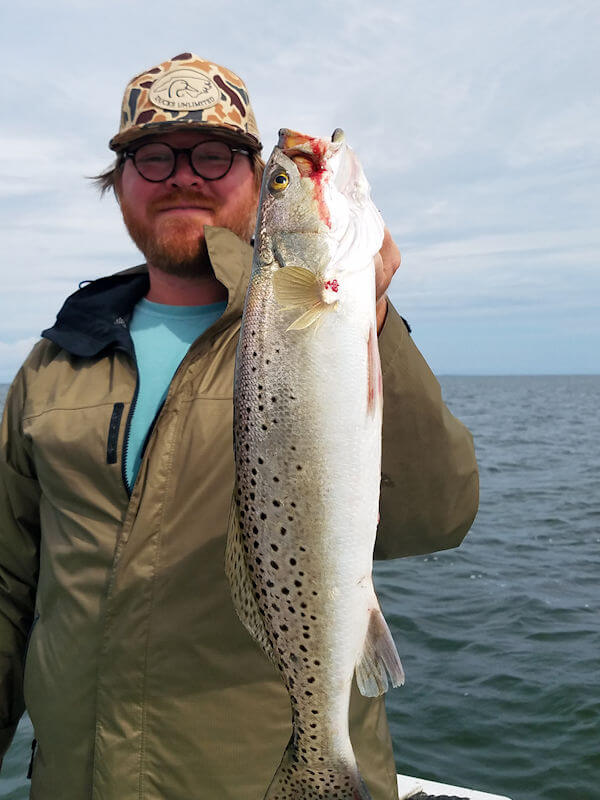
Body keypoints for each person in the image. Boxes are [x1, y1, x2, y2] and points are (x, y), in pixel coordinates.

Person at [0, 53, 478, 800]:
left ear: (256, 183)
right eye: (151, 157)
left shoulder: (336, 321)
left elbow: (436, 519)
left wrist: (373, 316)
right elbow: (8, 584)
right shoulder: (53, 363)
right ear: (118, 184)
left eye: (214, 154)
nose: (182, 175)